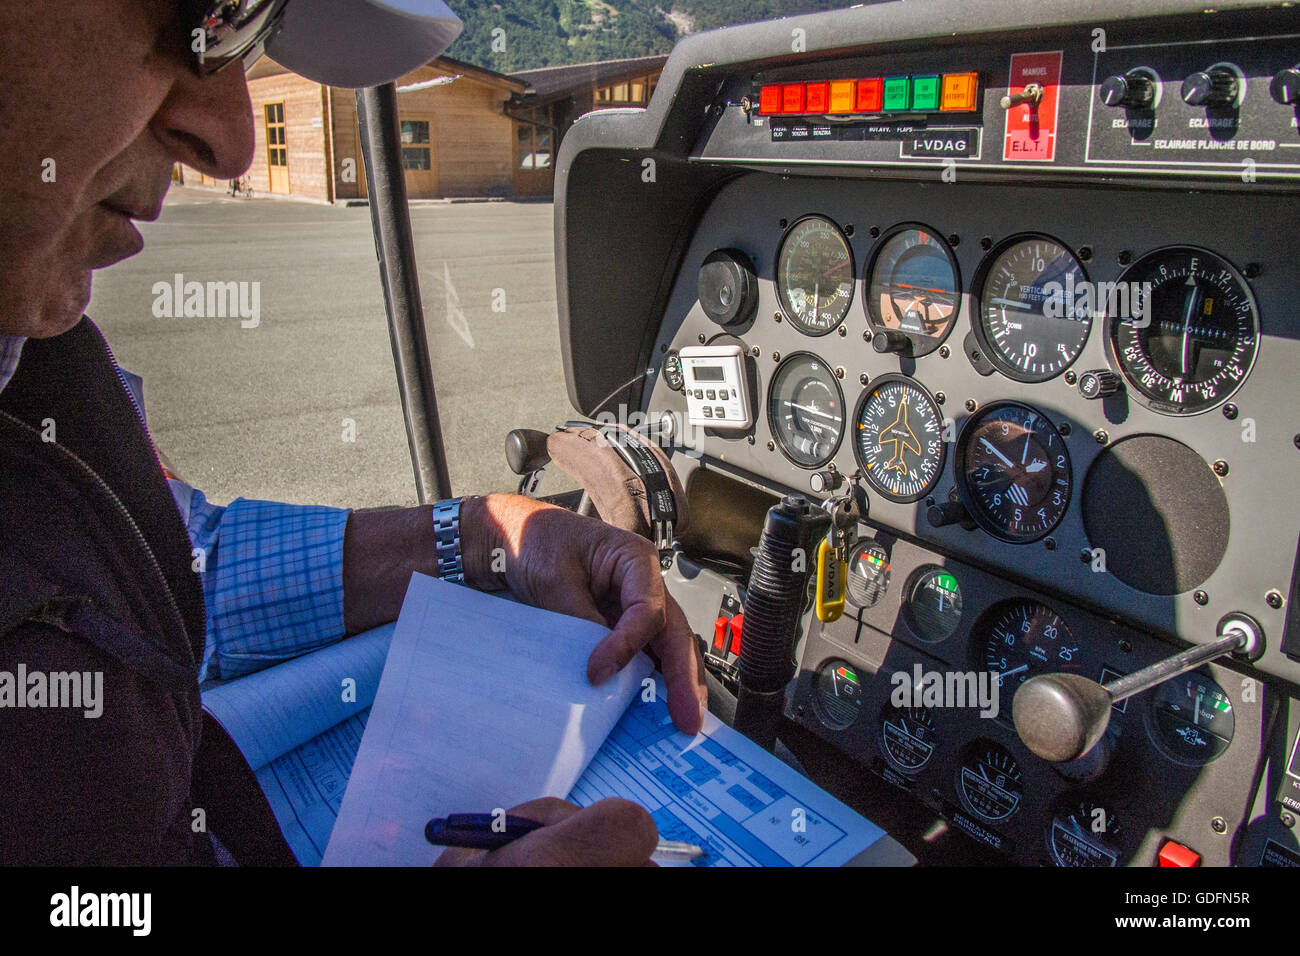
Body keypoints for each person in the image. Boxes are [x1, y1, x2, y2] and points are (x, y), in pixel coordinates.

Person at [0, 0, 707, 866]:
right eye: (207, 10)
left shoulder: (37, 369)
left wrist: (485, 536)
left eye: (243, 36)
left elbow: (173, 572)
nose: (230, 141)